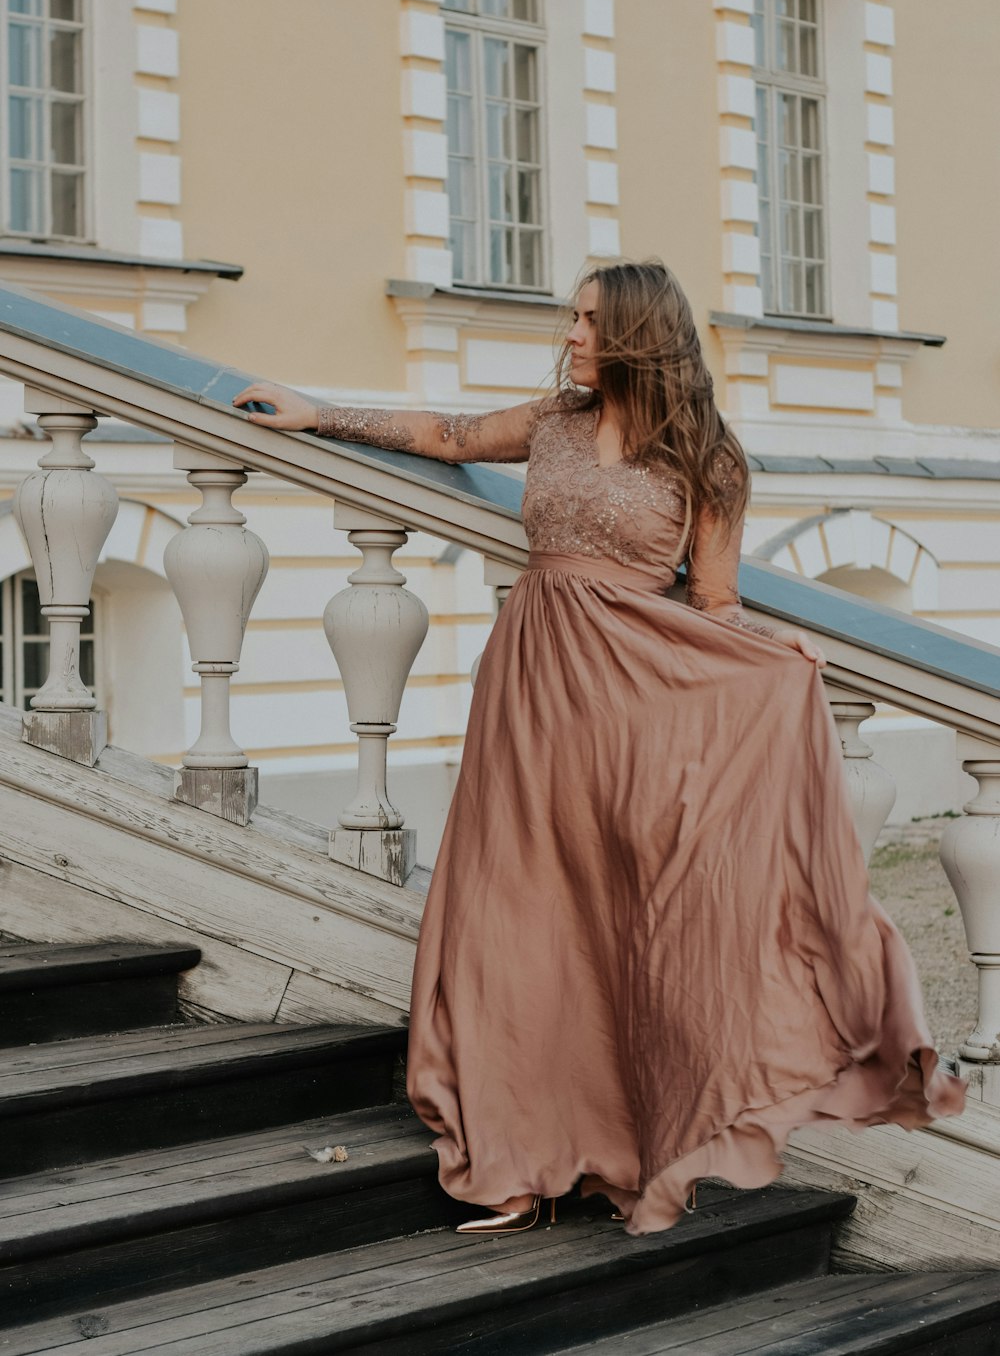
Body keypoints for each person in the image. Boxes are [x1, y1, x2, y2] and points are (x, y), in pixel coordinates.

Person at [233, 259, 965, 1237]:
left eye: (586, 320)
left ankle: (626, 1143)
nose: (570, 334)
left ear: (634, 332)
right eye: (571, 319)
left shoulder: (708, 459)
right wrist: (317, 411)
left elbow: (711, 602)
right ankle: (511, 1153)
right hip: (532, 688)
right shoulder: (554, 422)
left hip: (633, 702)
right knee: (508, 914)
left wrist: (768, 649)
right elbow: (446, 437)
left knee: (623, 921)